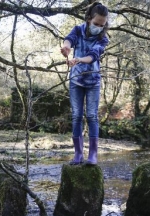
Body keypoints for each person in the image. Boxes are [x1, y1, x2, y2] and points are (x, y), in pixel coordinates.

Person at [60, 2, 109, 165]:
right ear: (89, 19)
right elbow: (69, 40)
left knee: (92, 116)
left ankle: (93, 155)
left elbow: (92, 56)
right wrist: (66, 48)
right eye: (96, 24)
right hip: (76, 81)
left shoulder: (103, 39)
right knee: (76, 116)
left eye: (102, 25)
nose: (98, 27)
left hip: (93, 81)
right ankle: (78, 154)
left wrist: (79, 59)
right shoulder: (78, 29)